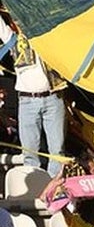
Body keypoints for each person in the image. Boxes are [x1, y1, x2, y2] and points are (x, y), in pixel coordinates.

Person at [0, 14, 67, 176]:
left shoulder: (50, 38)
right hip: (27, 101)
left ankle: (53, 193)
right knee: (30, 152)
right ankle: (35, 193)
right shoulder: (14, 40)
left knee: (57, 152)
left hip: (53, 98)